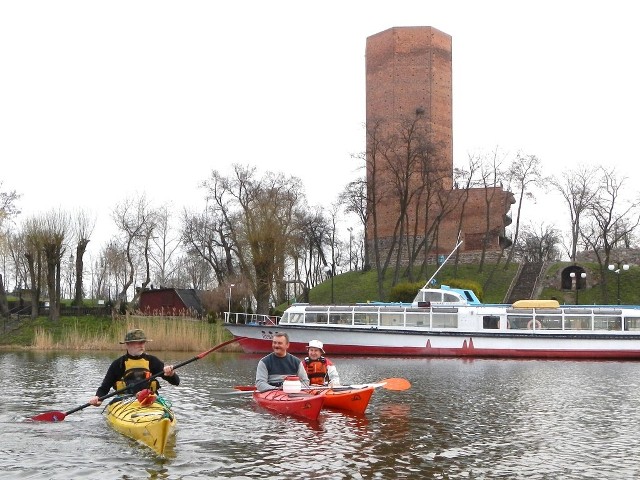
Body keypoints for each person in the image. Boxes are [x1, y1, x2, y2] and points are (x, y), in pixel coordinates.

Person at [88, 328, 180, 406]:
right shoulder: (118, 364)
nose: (142, 345)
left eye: (143, 342)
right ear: (128, 344)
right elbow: (105, 387)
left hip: (149, 400)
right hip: (125, 402)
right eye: (138, 343)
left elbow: (176, 382)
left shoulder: (152, 361)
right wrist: (98, 398)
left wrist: (171, 374)